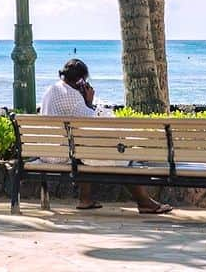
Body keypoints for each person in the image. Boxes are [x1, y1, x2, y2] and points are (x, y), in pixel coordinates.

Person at [40, 58, 172, 215]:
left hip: (47, 151)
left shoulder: (52, 89)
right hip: (62, 155)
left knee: (85, 152)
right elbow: (92, 123)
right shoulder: (72, 96)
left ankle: (85, 199)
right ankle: (144, 202)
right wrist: (88, 101)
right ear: (81, 80)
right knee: (120, 158)